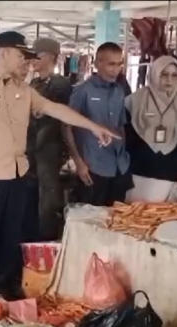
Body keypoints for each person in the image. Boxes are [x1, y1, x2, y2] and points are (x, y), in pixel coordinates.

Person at [0, 31, 118, 300]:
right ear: (3, 53)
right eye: (21, 55)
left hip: (18, 173)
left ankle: (3, 286)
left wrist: (93, 126)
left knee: (11, 233)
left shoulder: (23, 90)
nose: (26, 62)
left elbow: (56, 109)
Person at [64, 42, 132, 207]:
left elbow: (121, 125)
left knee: (117, 216)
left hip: (119, 166)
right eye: (111, 64)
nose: (116, 69)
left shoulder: (119, 91)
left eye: (119, 64)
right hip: (93, 167)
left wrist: (124, 156)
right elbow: (66, 128)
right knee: (91, 217)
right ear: (97, 64)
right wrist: (78, 162)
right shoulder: (82, 91)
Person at [125, 56, 177, 203]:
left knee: (164, 215)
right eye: (164, 74)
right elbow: (126, 138)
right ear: (154, 74)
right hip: (138, 172)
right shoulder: (135, 101)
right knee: (135, 214)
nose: (169, 80)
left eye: (174, 75)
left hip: (171, 173)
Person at [24, 38, 73, 241]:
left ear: (51, 57)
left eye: (37, 55)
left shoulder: (60, 84)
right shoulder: (34, 83)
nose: (32, 60)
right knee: (31, 197)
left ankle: (45, 242)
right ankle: (30, 239)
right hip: (32, 150)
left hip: (48, 150)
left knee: (48, 200)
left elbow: (52, 120)